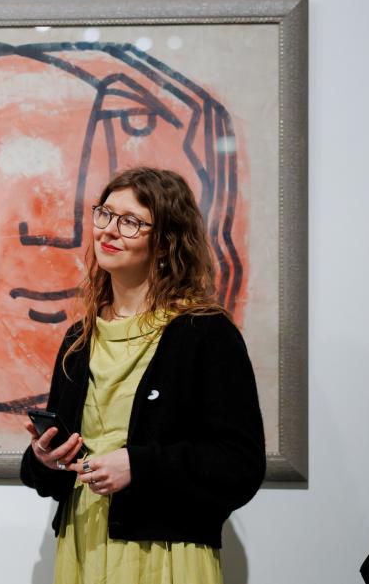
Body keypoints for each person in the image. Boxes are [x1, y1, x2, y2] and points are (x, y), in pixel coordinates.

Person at [20, 167, 266, 584]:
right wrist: (44, 459)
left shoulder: (205, 333)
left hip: (166, 557)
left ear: (167, 241)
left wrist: (140, 465)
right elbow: (53, 466)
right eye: (105, 214)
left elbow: (240, 464)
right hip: (82, 549)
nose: (109, 231)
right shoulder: (80, 340)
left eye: (130, 222)